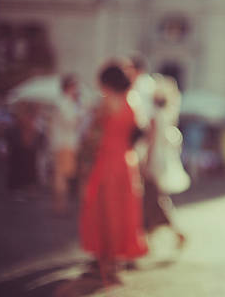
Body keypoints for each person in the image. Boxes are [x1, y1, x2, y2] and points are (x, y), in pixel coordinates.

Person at [79, 62, 147, 285]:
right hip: (127, 161)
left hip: (108, 161)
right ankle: (114, 261)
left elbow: (93, 132)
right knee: (121, 210)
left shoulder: (106, 102)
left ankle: (104, 260)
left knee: (103, 209)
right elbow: (137, 131)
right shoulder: (132, 100)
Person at [142, 75, 189, 247]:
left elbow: (151, 141)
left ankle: (171, 233)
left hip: (155, 159)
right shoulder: (166, 114)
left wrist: (146, 162)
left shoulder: (155, 115)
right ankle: (151, 237)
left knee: (153, 197)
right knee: (154, 197)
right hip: (161, 159)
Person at [51, 74, 82, 214]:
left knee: (61, 175)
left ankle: (60, 205)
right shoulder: (65, 102)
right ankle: (60, 206)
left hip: (63, 143)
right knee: (62, 175)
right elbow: (71, 122)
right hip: (65, 143)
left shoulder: (62, 102)